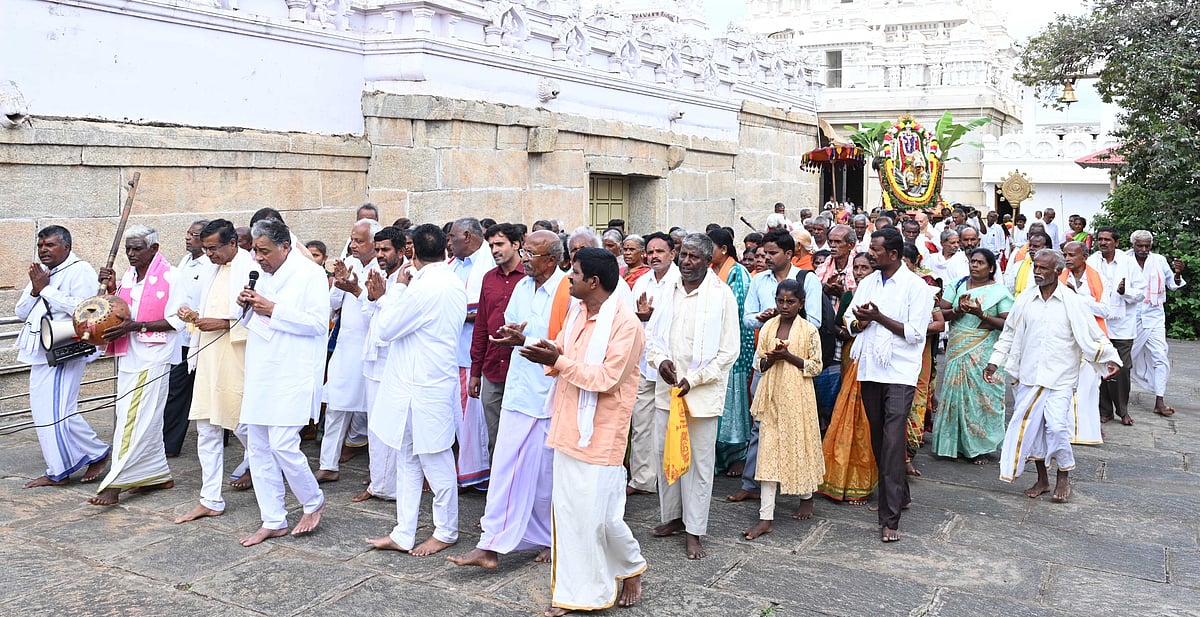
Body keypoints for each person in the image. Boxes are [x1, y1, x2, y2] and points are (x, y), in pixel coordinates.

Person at [520, 247, 646, 616]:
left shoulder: (625, 324)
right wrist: (528, 345)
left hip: (601, 434)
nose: (568, 277)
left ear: (593, 282)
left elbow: (607, 379)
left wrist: (556, 361)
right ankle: (577, 596)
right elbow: (562, 346)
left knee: (600, 518)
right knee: (570, 514)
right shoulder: (578, 310)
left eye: (574, 273)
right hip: (567, 425)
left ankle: (626, 567)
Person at [447, 230, 565, 569]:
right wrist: (509, 339)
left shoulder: (566, 290)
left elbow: (563, 342)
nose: (524, 258)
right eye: (524, 251)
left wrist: (523, 337)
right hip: (518, 391)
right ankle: (491, 542)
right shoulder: (523, 288)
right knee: (504, 468)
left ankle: (548, 538)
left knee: (546, 475)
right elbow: (509, 327)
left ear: (551, 260)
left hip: (549, 396)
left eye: (531, 253)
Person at [986, 249, 1121, 503]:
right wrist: (994, 362)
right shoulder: (1025, 300)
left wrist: (1110, 357)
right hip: (1029, 376)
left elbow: (1094, 334)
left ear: (1058, 272)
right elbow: (1009, 334)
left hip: (1060, 378)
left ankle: (1063, 474)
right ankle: (1042, 479)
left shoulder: (1073, 302)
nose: (1037, 272)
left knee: (1058, 428)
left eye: (1043, 268)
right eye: (1035, 267)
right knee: (1033, 430)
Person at [366, 224, 466, 557]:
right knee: (407, 459)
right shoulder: (448, 279)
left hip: (426, 387)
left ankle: (447, 531)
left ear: (412, 252)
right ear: (446, 250)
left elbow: (387, 329)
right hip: (416, 384)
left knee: (436, 463)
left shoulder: (425, 287)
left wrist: (393, 291)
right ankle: (403, 531)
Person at [233, 218, 328, 546]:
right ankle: (273, 518)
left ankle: (313, 501)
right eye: (255, 250)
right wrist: (247, 307)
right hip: (262, 369)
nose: (258, 257)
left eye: (264, 251)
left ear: (285, 247)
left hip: (293, 370)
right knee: (257, 446)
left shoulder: (311, 275)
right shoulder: (259, 274)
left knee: (283, 444)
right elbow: (252, 321)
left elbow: (318, 324)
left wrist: (273, 309)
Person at [646, 233, 740, 561]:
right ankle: (672, 517)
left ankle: (694, 530)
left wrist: (693, 379)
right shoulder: (668, 288)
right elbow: (652, 336)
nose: (686, 262)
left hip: (700, 395)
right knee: (665, 454)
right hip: (667, 390)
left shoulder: (721, 295)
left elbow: (730, 351)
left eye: (693, 257)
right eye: (683, 255)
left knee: (699, 463)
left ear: (708, 261)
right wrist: (661, 362)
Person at [845, 227, 935, 542]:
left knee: (893, 440)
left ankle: (890, 519)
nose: (870, 254)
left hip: (899, 372)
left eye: (876, 250)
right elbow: (848, 319)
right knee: (879, 441)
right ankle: (902, 493)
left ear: (893, 255)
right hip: (870, 368)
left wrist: (879, 317)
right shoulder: (868, 282)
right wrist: (860, 322)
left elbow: (914, 333)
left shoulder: (917, 287)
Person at [89, 225, 183, 506]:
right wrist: (112, 287)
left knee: (133, 421)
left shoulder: (173, 276)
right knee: (143, 419)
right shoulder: (130, 276)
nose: (130, 254)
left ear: (154, 249)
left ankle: (115, 481)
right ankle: (156, 474)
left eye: (137, 248)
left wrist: (135, 326)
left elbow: (177, 320)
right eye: (128, 248)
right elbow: (121, 310)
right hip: (129, 356)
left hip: (153, 358)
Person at [174, 220, 258, 523]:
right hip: (209, 357)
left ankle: (266, 477)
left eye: (213, 248)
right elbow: (208, 310)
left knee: (244, 425)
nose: (208, 254)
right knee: (207, 427)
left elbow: (260, 317)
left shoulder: (251, 267)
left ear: (232, 243)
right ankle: (210, 498)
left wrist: (223, 323)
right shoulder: (212, 269)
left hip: (238, 356)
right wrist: (194, 316)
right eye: (205, 248)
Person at [729, 228, 822, 503]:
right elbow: (747, 319)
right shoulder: (759, 280)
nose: (765, 258)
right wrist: (765, 318)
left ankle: (802, 488)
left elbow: (815, 321)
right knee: (762, 424)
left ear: (789, 254)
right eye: (763, 253)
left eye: (772, 253)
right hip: (767, 361)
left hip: (796, 367)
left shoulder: (807, 280)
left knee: (797, 426)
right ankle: (752, 483)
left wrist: (788, 318)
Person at [16, 225, 110, 488]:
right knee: (45, 411)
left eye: (50, 245)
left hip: (65, 349)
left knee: (58, 412)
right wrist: (36, 289)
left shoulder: (80, 270)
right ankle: (85, 456)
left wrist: (45, 290)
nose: (43, 250)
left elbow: (86, 310)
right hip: (40, 349)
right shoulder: (42, 273)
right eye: (41, 245)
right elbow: (22, 311)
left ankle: (69, 465)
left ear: (66, 247)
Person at [742, 279, 824, 540]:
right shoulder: (768, 327)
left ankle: (807, 496)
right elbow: (759, 364)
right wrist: (771, 358)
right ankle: (765, 517)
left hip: (799, 397)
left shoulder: (809, 330)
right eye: (780, 301)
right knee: (768, 452)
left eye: (791, 302)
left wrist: (788, 357)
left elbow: (816, 367)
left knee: (800, 445)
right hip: (772, 396)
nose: (785, 306)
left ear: (801, 303)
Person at [931, 248, 1013, 464]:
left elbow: (1007, 324)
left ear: (991, 268)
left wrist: (981, 314)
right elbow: (941, 313)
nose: (974, 265)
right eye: (972, 261)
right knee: (956, 395)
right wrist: (958, 310)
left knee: (984, 396)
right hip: (959, 347)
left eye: (980, 262)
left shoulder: (1000, 291)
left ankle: (981, 447)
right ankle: (954, 445)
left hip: (985, 350)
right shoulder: (957, 285)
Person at [315, 219, 381, 483]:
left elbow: (378, 307)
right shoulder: (349, 263)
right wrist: (338, 281)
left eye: (360, 240)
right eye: (352, 239)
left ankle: (378, 469)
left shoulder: (384, 268)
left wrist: (355, 288)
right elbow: (332, 305)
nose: (353, 244)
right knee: (336, 406)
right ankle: (328, 464)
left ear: (375, 244)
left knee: (376, 411)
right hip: (346, 346)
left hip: (374, 347)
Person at [817, 252, 879, 504]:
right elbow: (838, 324)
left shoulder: (882, 295)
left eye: (865, 267)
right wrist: (852, 328)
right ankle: (837, 478)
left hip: (875, 363)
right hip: (850, 357)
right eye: (857, 267)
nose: (860, 271)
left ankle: (862, 481)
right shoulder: (848, 296)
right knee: (843, 415)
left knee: (866, 421)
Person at [353, 226, 406, 503]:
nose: (381, 255)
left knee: (390, 426)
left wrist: (380, 298)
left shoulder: (408, 277)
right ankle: (378, 483)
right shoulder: (379, 275)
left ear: (401, 250)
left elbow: (397, 322)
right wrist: (371, 297)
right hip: (373, 359)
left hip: (392, 362)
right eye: (378, 250)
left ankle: (393, 486)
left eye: (386, 250)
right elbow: (369, 317)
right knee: (375, 426)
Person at [627, 232, 680, 496]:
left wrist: (652, 315)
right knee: (641, 422)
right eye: (650, 251)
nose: (654, 256)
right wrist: (642, 317)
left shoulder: (680, 282)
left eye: (660, 251)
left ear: (672, 254)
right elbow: (631, 319)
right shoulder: (641, 282)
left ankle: (667, 477)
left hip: (669, 363)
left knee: (667, 424)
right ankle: (642, 479)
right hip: (643, 362)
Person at [469, 223, 525, 460]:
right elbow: (481, 325)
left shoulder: (529, 278)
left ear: (516, 245)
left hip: (522, 367)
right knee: (494, 435)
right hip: (492, 368)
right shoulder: (488, 279)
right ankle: (497, 491)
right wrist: (475, 372)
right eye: (491, 245)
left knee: (522, 436)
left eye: (500, 244)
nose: (494, 250)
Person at [448, 217, 496, 487]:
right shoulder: (454, 264)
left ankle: (477, 474)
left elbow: (481, 310)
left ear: (467, 236)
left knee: (472, 418)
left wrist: (452, 311)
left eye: (453, 237)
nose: (450, 242)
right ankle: (468, 469)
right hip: (453, 351)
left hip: (471, 353)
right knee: (460, 416)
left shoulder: (486, 263)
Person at [707, 228, 755, 478]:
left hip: (733, 346)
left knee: (733, 401)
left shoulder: (738, 272)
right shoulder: (710, 271)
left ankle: (737, 455)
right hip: (710, 347)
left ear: (723, 250)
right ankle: (716, 456)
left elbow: (736, 310)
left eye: (710, 248)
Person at [1087, 227, 1146, 425]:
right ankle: (1105, 410)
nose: (1103, 243)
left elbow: (1141, 293)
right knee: (1100, 366)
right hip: (1098, 324)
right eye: (1100, 239)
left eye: (1107, 240)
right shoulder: (1091, 262)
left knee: (1122, 369)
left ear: (1116, 243)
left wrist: (1125, 291)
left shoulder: (1128, 262)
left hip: (1122, 326)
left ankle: (1123, 410)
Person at [163, 219, 209, 458]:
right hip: (181, 337)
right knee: (176, 390)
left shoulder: (209, 265)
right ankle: (170, 443)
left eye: (194, 234)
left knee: (204, 389)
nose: (188, 237)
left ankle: (217, 437)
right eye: (188, 233)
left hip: (203, 335)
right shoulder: (185, 262)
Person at [1128, 230, 1187, 417]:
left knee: (1160, 356)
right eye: (1140, 246)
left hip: (1154, 316)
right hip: (1130, 317)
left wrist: (1178, 274)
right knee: (1125, 359)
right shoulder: (1124, 259)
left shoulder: (1159, 260)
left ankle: (1159, 400)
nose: (1144, 249)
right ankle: (1116, 401)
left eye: (1147, 246)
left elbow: (1172, 284)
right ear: (1133, 245)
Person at [1061, 240, 1110, 445]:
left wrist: (1078, 298)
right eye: (1065, 255)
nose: (1068, 259)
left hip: (1091, 338)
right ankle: (1066, 431)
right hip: (1066, 337)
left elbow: (1106, 310)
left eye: (1072, 255)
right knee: (1066, 386)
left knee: (1089, 388)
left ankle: (1088, 432)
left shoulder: (1098, 278)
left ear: (1085, 257)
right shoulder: (1059, 276)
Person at [1005, 231, 1051, 296]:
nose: (1031, 248)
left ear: (1047, 248)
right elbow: (1009, 290)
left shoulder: (1054, 269)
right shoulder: (1018, 266)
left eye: (1036, 246)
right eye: (1030, 246)